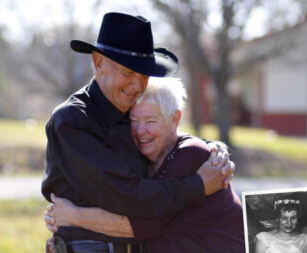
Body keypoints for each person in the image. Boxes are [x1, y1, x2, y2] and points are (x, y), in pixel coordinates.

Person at [41, 12, 235, 253]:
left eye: (143, 75)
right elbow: (128, 196)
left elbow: (166, 135)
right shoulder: (72, 121)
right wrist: (200, 185)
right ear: (99, 63)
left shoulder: (126, 107)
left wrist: (213, 150)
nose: (136, 85)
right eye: (128, 73)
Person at [45, 77, 245, 253]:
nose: (141, 131)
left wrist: (73, 216)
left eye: (150, 121)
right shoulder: (146, 157)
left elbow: (138, 226)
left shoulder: (190, 154)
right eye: (134, 121)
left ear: (174, 119)